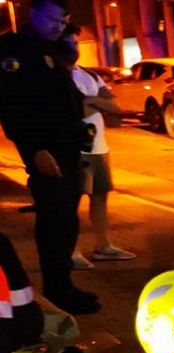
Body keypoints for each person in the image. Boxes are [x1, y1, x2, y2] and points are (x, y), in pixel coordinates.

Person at [0, 0, 101, 314]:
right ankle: (57, 290)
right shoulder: (15, 50)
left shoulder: (55, 49)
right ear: (34, 14)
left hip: (68, 147)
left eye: (64, 20)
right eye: (54, 19)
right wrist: (35, 150)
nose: (60, 26)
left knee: (67, 221)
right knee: (55, 221)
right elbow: (12, 107)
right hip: (46, 150)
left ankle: (63, 286)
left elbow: (64, 99)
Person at [61, 26, 134, 270]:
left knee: (100, 197)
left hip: (99, 146)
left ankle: (104, 246)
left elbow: (115, 106)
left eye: (75, 42)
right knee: (72, 201)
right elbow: (73, 112)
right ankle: (70, 250)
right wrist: (96, 104)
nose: (73, 46)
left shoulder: (90, 75)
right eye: (68, 41)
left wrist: (91, 101)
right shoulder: (57, 77)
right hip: (76, 148)